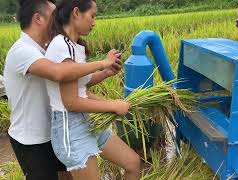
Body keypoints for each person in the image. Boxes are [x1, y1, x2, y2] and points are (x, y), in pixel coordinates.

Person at [3, 0, 121, 179]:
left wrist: (105, 72)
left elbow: (75, 83)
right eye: (54, 16)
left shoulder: (45, 48)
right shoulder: (23, 51)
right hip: (32, 140)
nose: (59, 20)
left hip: (56, 131)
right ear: (38, 19)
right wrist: (103, 63)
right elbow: (60, 73)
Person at [46, 0, 141, 180]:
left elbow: (82, 85)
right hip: (71, 127)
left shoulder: (74, 46)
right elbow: (71, 102)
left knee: (133, 163)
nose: (94, 22)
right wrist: (113, 106)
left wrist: (106, 72)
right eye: (92, 15)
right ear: (76, 13)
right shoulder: (62, 46)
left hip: (89, 120)